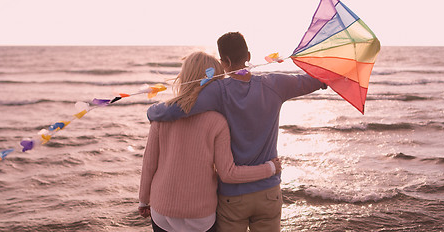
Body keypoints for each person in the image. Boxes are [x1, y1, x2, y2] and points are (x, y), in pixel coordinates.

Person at [147, 32, 327, 231]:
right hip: (268, 191)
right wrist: (328, 77)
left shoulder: (217, 91)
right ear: (248, 56)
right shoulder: (275, 84)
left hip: (233, 196)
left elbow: (178, 108)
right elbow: (312, 80)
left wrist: (152, 111)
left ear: (224, 62)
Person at [138, 51, 282, 232]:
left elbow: (149, 164)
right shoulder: (217, 121)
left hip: (163, 211)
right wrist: (270, 168)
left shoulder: (162, 115)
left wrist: (143, 200)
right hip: (200, 215)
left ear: (185, 76)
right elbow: (228, 173)